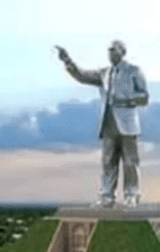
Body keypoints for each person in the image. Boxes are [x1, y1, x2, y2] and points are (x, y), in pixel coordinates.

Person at [55, 40, 149, 208]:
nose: (110, 53)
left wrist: (125, 100)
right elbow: (82, 76)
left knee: (130, 162)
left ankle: (132, 195)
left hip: (127, 125)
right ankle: (106, 196)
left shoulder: (134, 71)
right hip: (108, 124)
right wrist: (67, 61)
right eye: (109, 50)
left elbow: (144, 97)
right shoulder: (104, 74)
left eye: (113, 50)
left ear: (122, 51)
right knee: (107, 161)